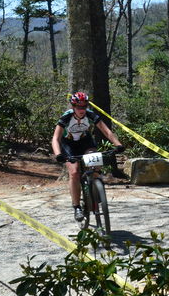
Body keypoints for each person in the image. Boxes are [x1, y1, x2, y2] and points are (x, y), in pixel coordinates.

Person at [51, 91, 124, 222]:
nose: (82, 109)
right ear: (73, 106)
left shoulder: (90, 115)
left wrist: (118, 144)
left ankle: (96, 188)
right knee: (74, 172)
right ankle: (77, 207)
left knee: (95, 163)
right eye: (79, 107)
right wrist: (58, 154)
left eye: (84, 106)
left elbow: (106, 131)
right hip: (69, 144)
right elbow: (55, 138)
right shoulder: (66, 117)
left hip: (85, 142)